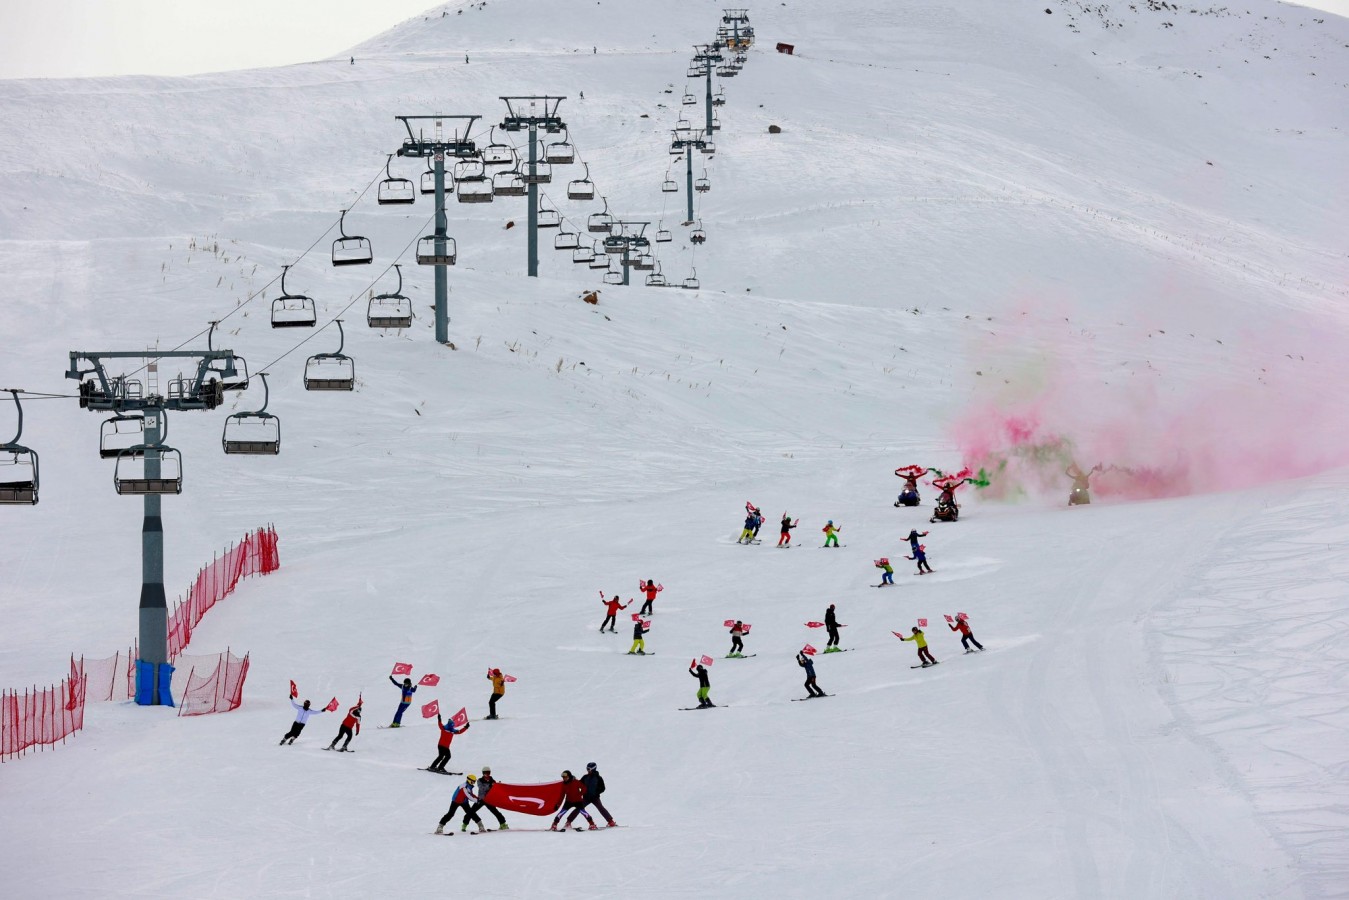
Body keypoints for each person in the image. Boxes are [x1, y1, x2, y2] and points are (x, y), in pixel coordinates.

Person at [575, 761, 616, 827]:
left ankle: (611, 822)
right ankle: (568, 822)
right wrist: (574, 780)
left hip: (595, 798)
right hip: (586, 797)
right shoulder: (585, 777)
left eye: (589, 769)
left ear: (593, 769)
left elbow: (603, 788)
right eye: (587, 769)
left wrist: (596, 792)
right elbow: (579, 784)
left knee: (601, 808)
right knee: (578, 808)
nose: (587, 770)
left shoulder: (598, 778)